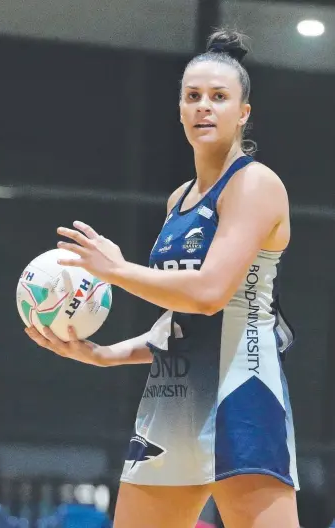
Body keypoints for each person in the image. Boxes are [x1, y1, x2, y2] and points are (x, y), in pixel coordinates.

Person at [26, 29, 300, 528]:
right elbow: (177, 322)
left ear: (243, 112)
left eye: (219, 97)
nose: (204, 107)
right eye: (192, 97)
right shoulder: (179, 200)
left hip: (242, 391)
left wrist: (116, 270)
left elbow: (211, 294)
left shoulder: (255, 183)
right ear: (179, 110)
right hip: (170, 398)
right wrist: (103, 353)